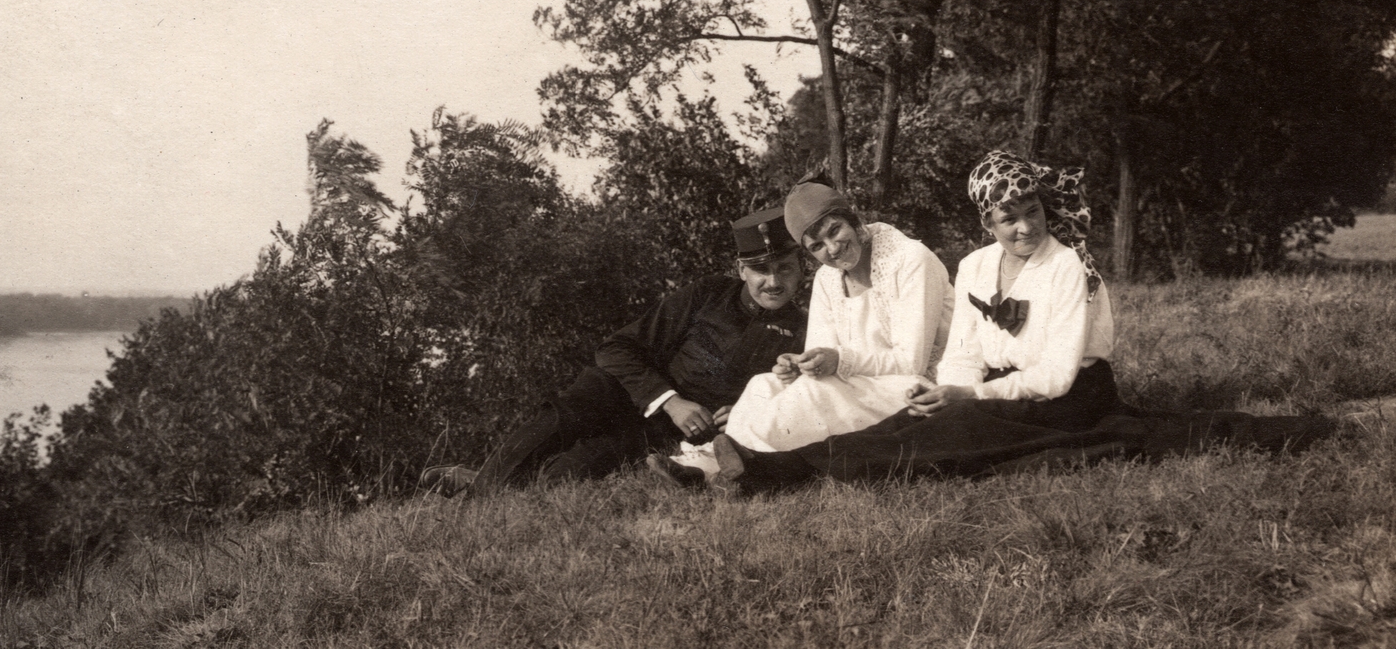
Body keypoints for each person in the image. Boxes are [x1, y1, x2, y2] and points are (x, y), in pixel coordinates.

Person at [704, 151, 1333, 496]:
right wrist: (946, 389)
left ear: (1044, 209)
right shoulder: (976, 265)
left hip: (1071, 395)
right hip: (995, 386)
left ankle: (782, 470)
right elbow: (962, 353)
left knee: (947, 443)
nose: (1024, 228)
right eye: (1008, 219)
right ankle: (766, 468)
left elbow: (1057, 376)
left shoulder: (1071, 269)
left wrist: (967, 395)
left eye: (1031, 212)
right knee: (917, 423)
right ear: (988, 226)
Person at [420, 207, 808, 497]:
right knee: (573, 406)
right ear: (742, 270)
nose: (773, 282)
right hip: (628, 396)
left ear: (801, 269)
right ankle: (484, 490)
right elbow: (617, 347)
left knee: (569, 474)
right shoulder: (708, 294)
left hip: (667, 435)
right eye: (760, 269)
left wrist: (741, 414)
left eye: (785, 269)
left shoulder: (806, 330)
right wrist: (672, 401)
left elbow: (790, 404)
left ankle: (480, 484)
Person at [719, 181, 953, 453]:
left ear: (853, 218)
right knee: (763, 384)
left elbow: (911, 362)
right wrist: (803, 364)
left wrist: (839, 361)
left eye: (835, 230)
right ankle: (722, 460)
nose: (831, 248)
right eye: (817, 245)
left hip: (922, 388)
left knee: (815, 393)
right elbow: (822, 354)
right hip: (861, 385)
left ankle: (741, 459)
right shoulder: (826, 278)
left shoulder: (910, 259)